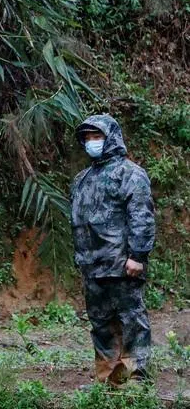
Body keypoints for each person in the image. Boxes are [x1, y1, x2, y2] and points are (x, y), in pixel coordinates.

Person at [71, 114, 155, 384]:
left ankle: (137, 378)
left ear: (111, 139)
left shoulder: (131, 174)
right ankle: (108, 378)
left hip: (122, 264)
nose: (92, 142)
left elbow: (141, 216)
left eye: (97, 137)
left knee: (131, 320)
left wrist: (137, 256)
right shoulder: (82, 179)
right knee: (100, 324)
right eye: (88, 138)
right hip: (92, 265)